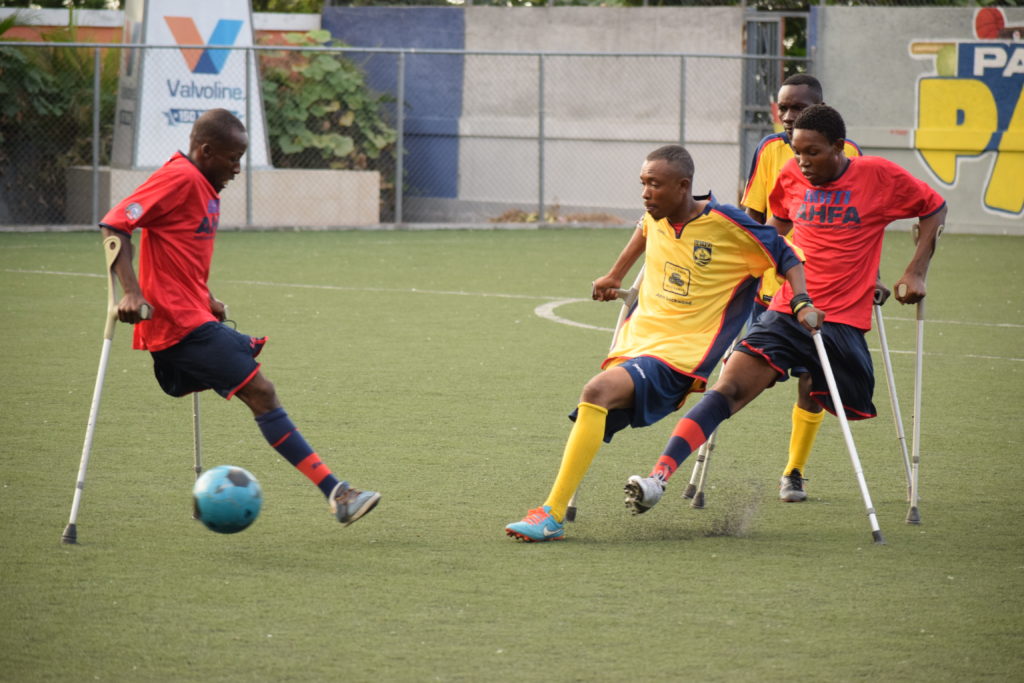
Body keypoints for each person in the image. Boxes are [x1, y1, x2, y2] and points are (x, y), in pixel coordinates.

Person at [623, 104, 947, 517]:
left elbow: (935, 207)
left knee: (822, 393)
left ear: (838, 146)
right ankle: (658, 478)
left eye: (813, 152)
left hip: (841, 321)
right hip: (787, 309)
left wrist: (915, 270)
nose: (802, 162)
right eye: (797, 152)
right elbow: (774, 233)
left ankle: (795, 469)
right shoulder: (790, 175)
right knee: (729, 388)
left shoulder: (877, 175)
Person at [505, 144, 808, 542]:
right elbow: (645, 231)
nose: (646, 193)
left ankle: (552, 514)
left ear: (684, 187)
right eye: (643, 183)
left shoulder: (730, 224)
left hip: (679, 357)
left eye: (655, 185)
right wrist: (615, 275)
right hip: (637, 344)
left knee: (595, 391)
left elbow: (787, 255)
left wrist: (801, 300)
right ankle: (554, 512)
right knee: (594, 404)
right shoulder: (658, 216)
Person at [99, 108, 380, 527]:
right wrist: (131, 291)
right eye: (232, 159)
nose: (237, 169)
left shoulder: (202, 184)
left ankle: (337, 493)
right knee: (261, 392)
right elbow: (116, 225)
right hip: (178, 325)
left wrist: (206, 296)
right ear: (206, 150)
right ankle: (338, 494)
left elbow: (178, 254)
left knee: (256, 388)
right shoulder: (180, 178)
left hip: (192, 316)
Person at [741, 73, 865, 503]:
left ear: (821, 108)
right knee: (749, 375)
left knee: (813, 378)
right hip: (773, 287)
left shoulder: (849, 155)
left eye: (799, 108)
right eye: (784, 108)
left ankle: (794, 471)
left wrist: (874, 275)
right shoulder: (770, 150)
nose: (789, 116)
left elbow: (864, 223)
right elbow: (754, 216)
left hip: (824, 292)